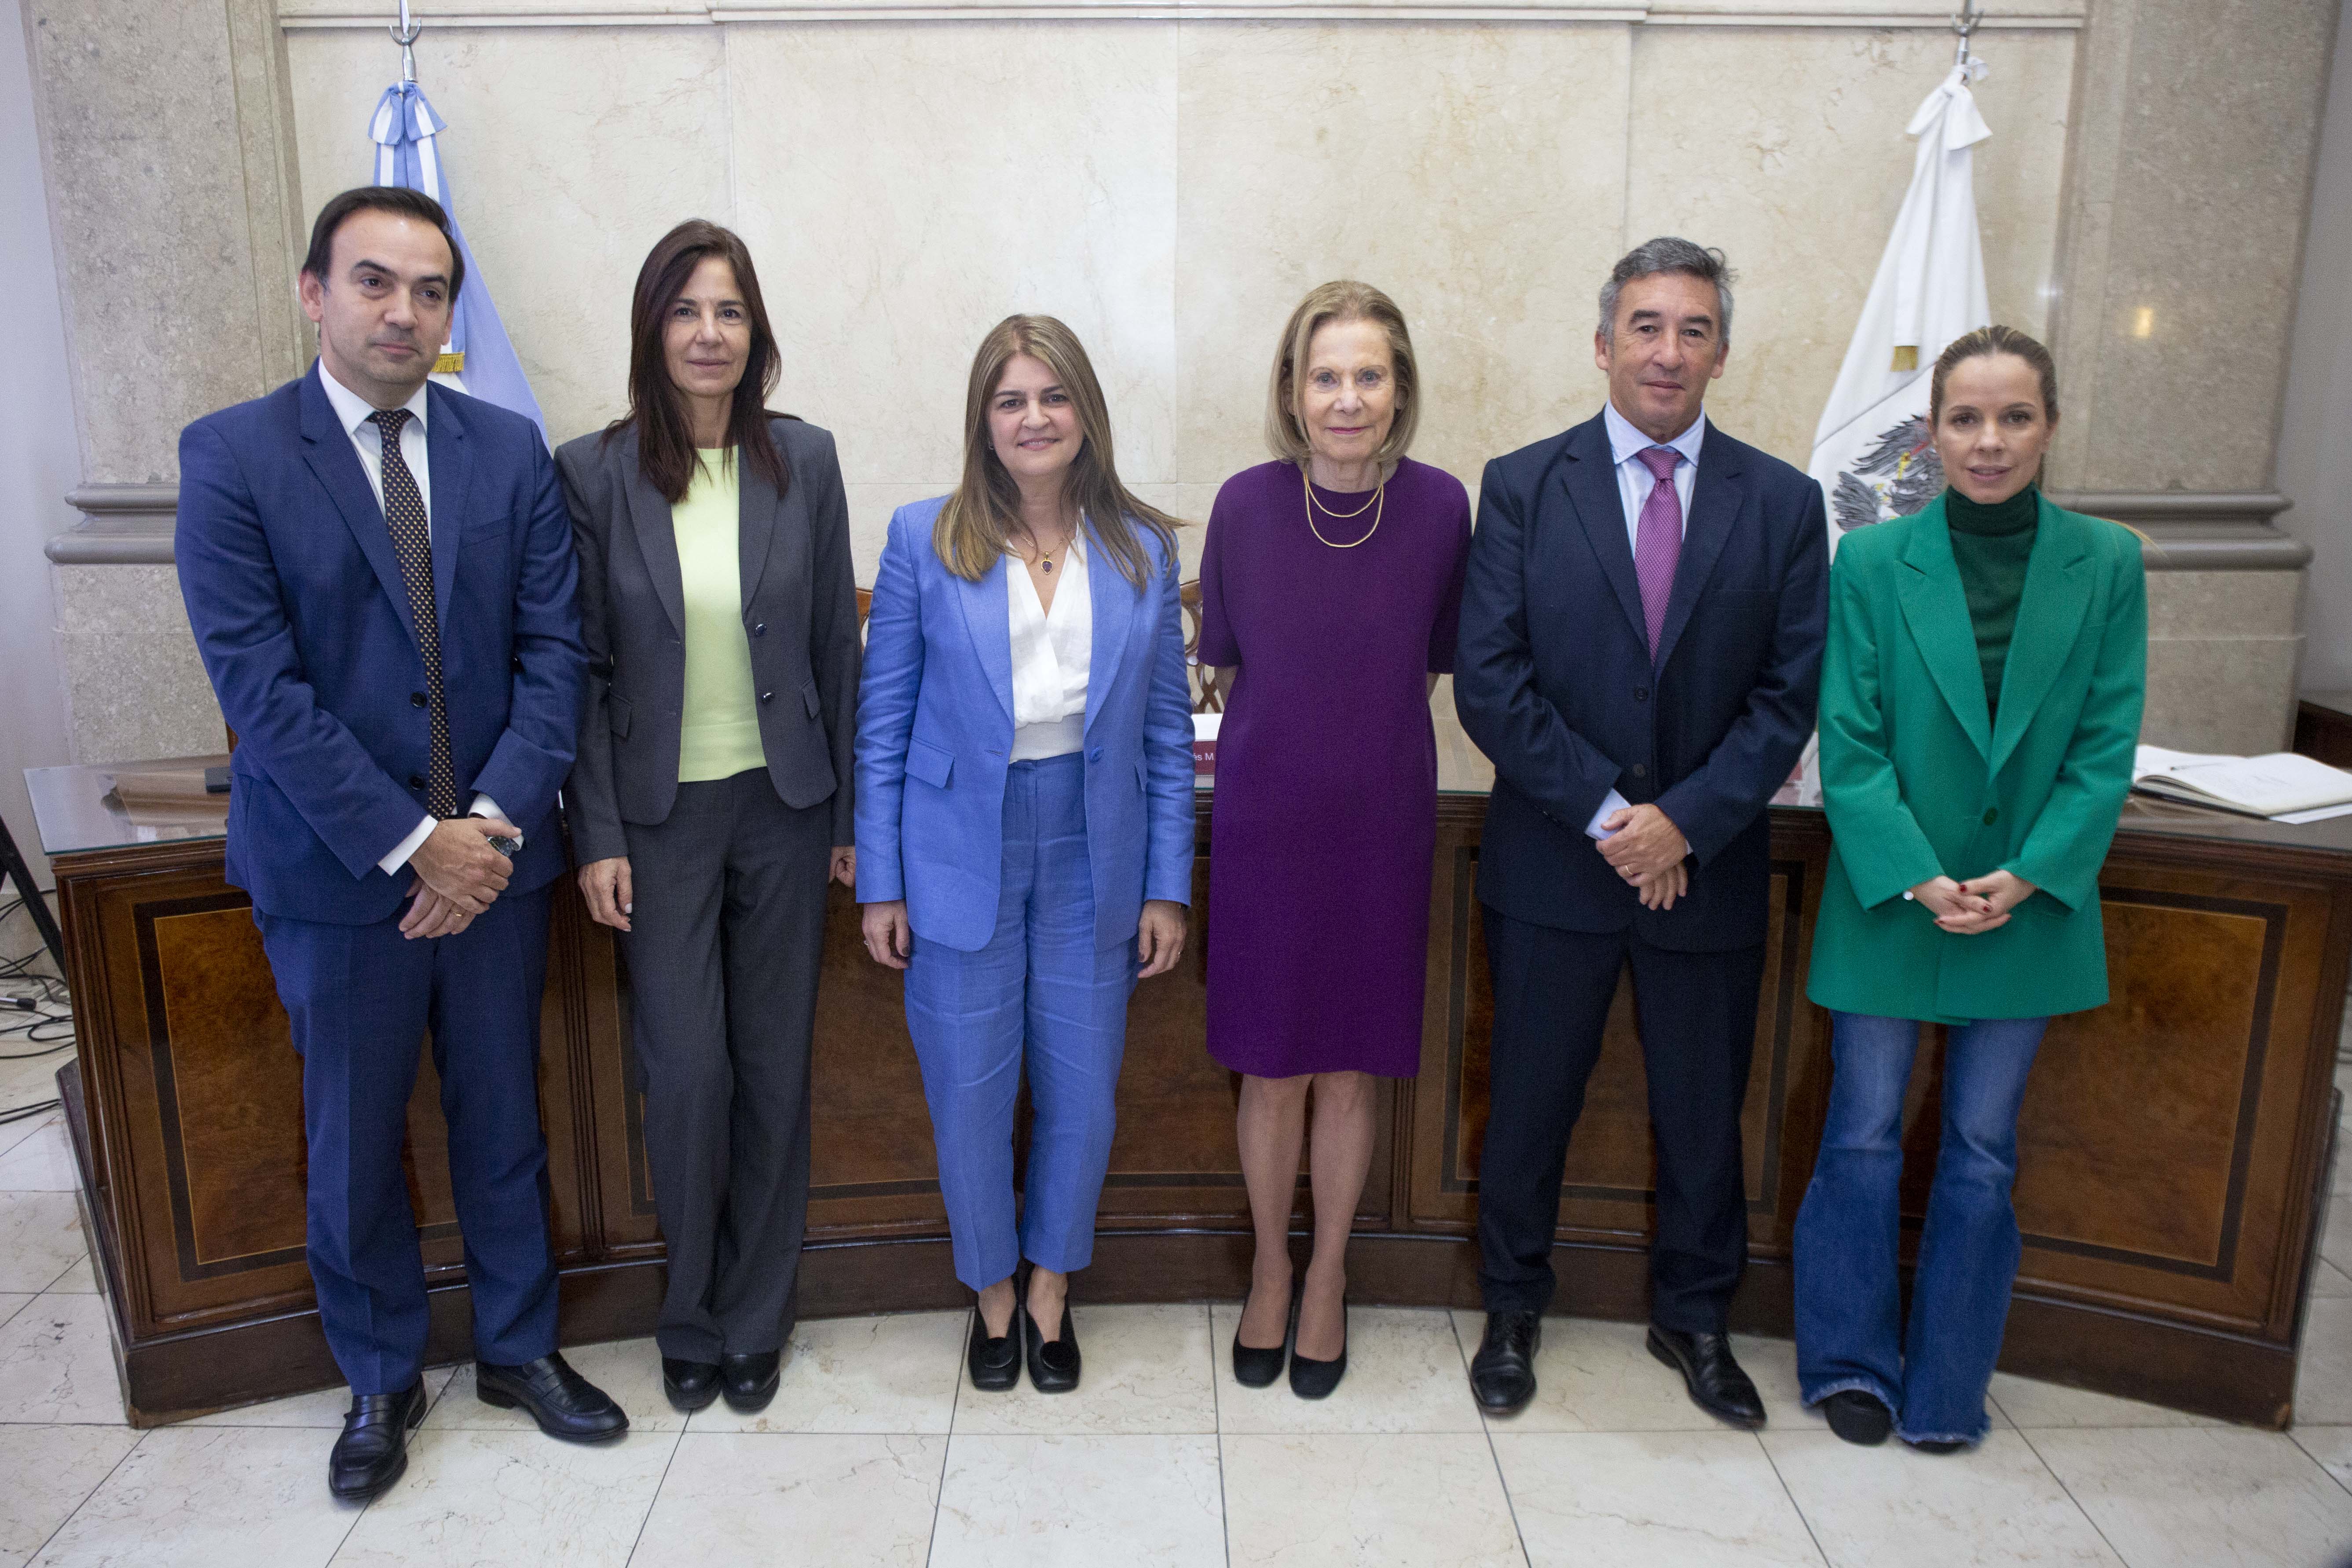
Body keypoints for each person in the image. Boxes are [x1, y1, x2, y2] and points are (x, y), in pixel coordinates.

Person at [175, 186, 623, 1502]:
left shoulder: (507, 450)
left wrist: (482, 831)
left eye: (430, 291)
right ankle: (378, 1373)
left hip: (498, 868)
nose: (403, 312)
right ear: (315, 292)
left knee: (504, 1120)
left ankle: (518, 1348)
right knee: (356, 1139)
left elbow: (556, 656)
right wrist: (412, 843)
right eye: (374, 282)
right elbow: (259, 689)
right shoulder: (235, 455)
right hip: (336, 876)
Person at [1454, 238, 1828, 1425]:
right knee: (1528, 1105)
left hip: (1706, 874)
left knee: (1703, 1117)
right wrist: (1620, 819)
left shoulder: (1783, 503)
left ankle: (1696, 1317)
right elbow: (1489, 681)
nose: (1669, 350)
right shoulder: (1524, 485)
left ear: (1722, 351)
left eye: (1694, 329)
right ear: (1603, 341)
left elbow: (1788, 695)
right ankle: (1513, 1307)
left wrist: (1686, 824)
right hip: (1555, 863)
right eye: (1648, 325)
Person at [1795, 326, 2145, 1451]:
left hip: (2025, 907)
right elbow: (1849, 741)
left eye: (2015, 417)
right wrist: (1914, 874)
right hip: (1892, 896)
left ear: (2050, 427)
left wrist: (2033, 873)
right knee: (1861, 1136)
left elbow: (2105, 744)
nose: (1989, 441)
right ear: (1932, 433)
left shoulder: (2109, 561)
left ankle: (1949, 1384)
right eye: (1966, 418)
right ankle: (1850, 1363)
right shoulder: (1871, 561)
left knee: (1984, 1154)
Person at [854, 315, 1194, 1394]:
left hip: (1097, 847)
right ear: (983, 421)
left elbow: (1165, 733)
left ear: (1086, 411)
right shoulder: (924, 537)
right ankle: (991, 1292)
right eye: (1011, 400)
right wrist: (881, 881)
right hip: (960, 849)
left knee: (1083, 1094)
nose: (1034, 419)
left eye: (1054, 397)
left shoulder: (1143, 548)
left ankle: (1051, 1286)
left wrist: (1168, 887)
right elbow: (884, 724)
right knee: (969, 1094)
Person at [557, 221, 860, 1416]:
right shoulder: (593, 472)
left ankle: (755, 1316)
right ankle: (687, 1315)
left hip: (785, 809)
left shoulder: (807, 460)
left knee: (774, 1071)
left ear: (756, 332)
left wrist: (850, 818)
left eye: (729, 310)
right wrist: (596, 833)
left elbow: (836, 647)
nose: (708, 333)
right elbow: (580, 668)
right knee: (685, 1075)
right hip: (659, 819)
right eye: (685, 310)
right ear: (652, 330)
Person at [1197, 282, 1470, 1398]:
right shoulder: (1245, 506)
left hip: (1382, 826)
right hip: (1267, 824)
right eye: (1326, 377)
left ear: (1399, 390)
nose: (1347, 398)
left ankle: (1329, 1277)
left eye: (1369, 375)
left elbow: (1434, 664)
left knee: (1352, 1068)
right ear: (1292, 390)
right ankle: (1270, 1269)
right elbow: (1226, 668)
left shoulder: (1443, 508)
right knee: (1270, 1069)